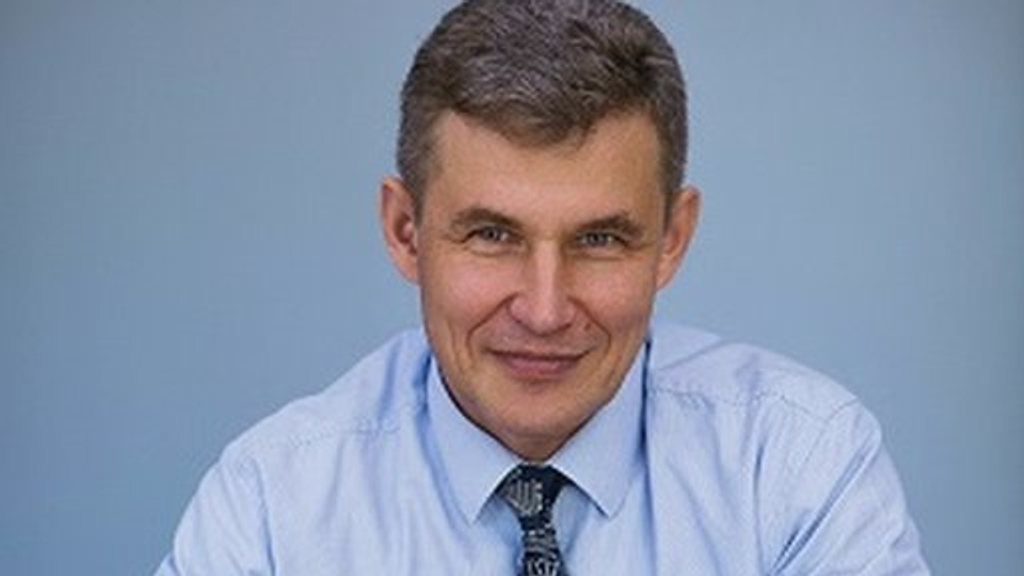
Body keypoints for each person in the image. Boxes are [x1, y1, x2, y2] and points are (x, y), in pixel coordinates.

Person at [155, 0, 930, 574]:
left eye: (599, 239)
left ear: (672, 239)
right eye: (492, 235)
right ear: (404, 231)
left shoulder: (798, 465)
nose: (545, 309)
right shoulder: (272, 507)